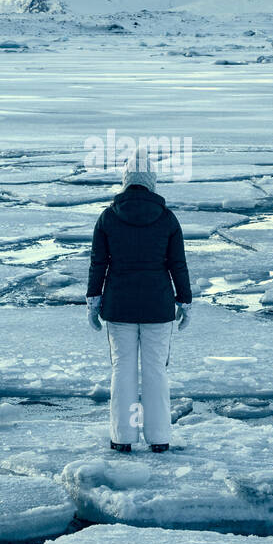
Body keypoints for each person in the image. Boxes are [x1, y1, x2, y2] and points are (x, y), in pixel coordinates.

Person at [86, 155, 191, 453]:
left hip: (119, 308)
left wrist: (93, 301)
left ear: (126, 178)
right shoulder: (168, 218)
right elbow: (177, 265)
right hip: (158, 307)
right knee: (156, 369)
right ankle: (159, 438)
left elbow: (98, 265)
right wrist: (185, 301)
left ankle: (122, 437)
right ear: (152, 180)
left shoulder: (108, 217)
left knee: (123, 369)